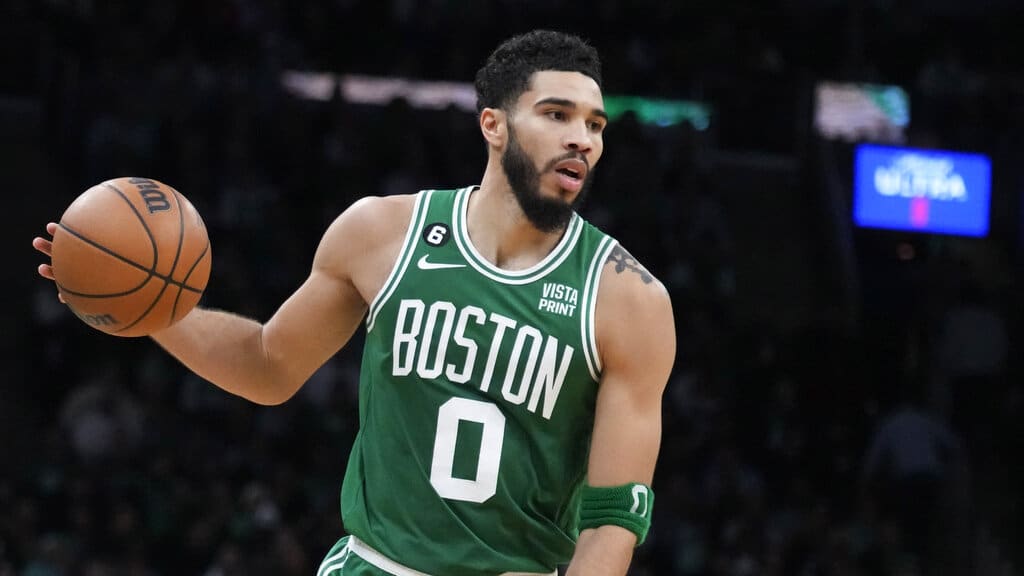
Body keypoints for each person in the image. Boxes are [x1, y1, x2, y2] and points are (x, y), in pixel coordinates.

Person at [34, 30, 676, 576]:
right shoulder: (381, 234)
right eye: (557, 115)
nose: (582, 139)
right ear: (495, 125)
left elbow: (612, 517)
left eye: (594, 124)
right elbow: (268, 365)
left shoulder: (629, 299)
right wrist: (156, 312)